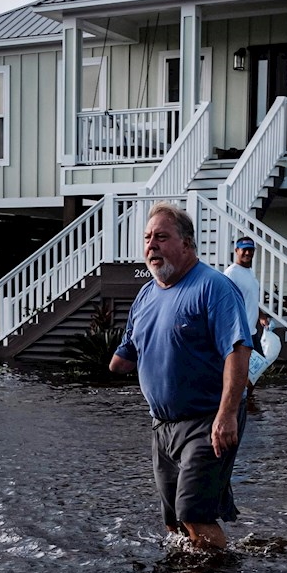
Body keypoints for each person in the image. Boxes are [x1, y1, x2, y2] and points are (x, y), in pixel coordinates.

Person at [109, 203, 253, 551]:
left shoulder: (213, 287)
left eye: (161, 237)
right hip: (162, 425)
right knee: (173, 520)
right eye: (147, 238)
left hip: (207, 421)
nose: (151, 245)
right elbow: (129, 351)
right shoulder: (146, 295)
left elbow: (238, 350)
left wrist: (227, 414)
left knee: (194, 514)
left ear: (186, 244)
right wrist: (117, 363)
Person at [222, 235, 283, 383]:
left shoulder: (249, 273)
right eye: (244, 250)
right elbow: (225, 303)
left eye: (251, 250)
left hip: (253, 332)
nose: (248, 253)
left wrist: (261, 316)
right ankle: (241, 404)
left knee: (255, 372)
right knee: (242, 376)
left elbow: (250, 299)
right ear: (236, 250)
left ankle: (247, 403)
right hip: (241, 335)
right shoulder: (231, 273)